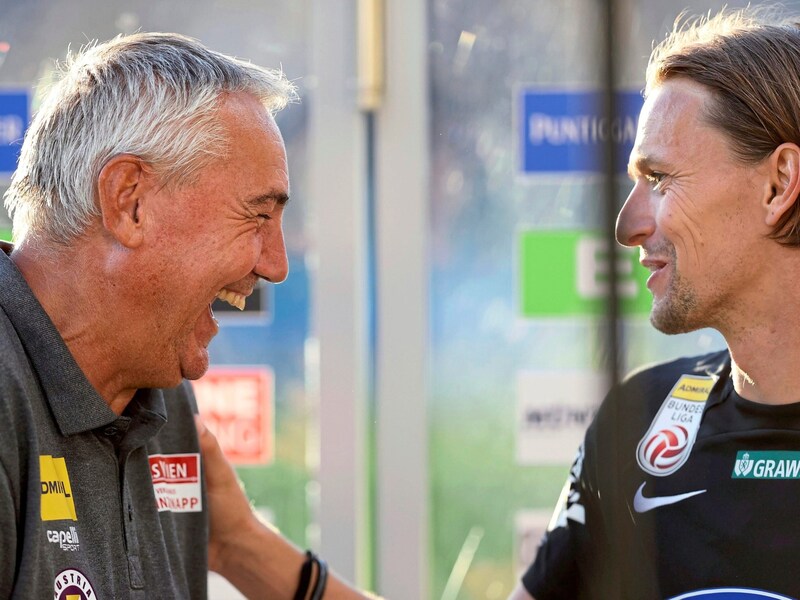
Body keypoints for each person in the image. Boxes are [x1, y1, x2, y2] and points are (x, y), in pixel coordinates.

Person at [0, 32, 377, 600]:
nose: (276, 266)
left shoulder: (157, 389)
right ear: (130, 201)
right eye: (256, 215)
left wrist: (241, 544)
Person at [510, 6, 800, 600]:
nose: (627, 224)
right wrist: (259, 547)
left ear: (778, 184)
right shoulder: (640, 415)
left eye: (661, 179)